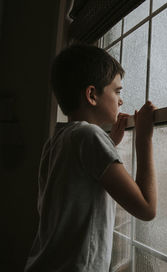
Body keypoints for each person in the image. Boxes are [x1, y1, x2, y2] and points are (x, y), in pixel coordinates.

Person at [24, 44, 157, 271]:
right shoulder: (89, 136)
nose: (121, 100)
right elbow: (146, 208)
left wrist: (111, 145)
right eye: (117, 91)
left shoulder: (58, 140)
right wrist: (144, 139)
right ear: (92, 95)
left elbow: (76, 183)